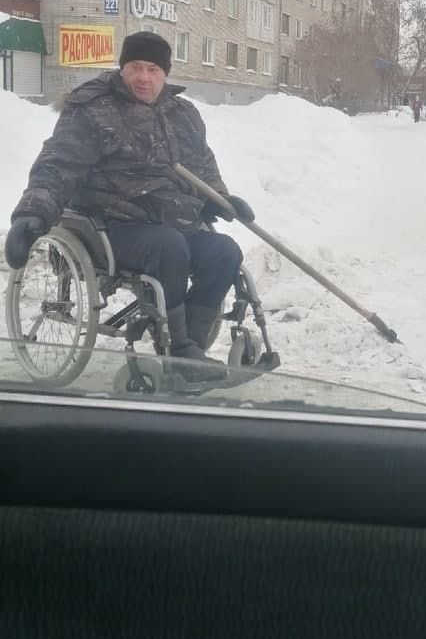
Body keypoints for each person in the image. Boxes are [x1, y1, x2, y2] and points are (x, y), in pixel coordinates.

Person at [4, 32, 254, 384]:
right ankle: (178, 349)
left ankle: (191, 348)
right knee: (169, 247)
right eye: (135, 67)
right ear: (122, 68)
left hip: (170, 217)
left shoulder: (183, 114)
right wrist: (33, 212)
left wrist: (219, 198)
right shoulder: (92, 108)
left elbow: (203, 166)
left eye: (153, 69)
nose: (143, 77)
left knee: (224, 251)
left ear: (165, 73)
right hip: (110, 222)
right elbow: (58, 164)